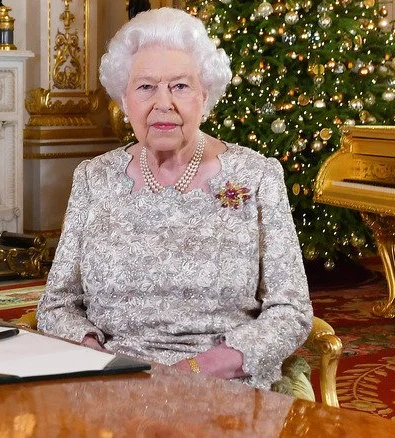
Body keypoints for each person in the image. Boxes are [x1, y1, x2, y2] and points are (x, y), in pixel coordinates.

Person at [37, 8, 313, 390]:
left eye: (180, 86)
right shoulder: (93, 178)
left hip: (223, 385)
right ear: (124, 99)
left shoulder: (257, 176)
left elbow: (291, 311)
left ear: (205, 95)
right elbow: (57, 304)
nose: (163, 103)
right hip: (115, 381)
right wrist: (95, 357)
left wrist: (200, 369)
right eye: (146, 86)